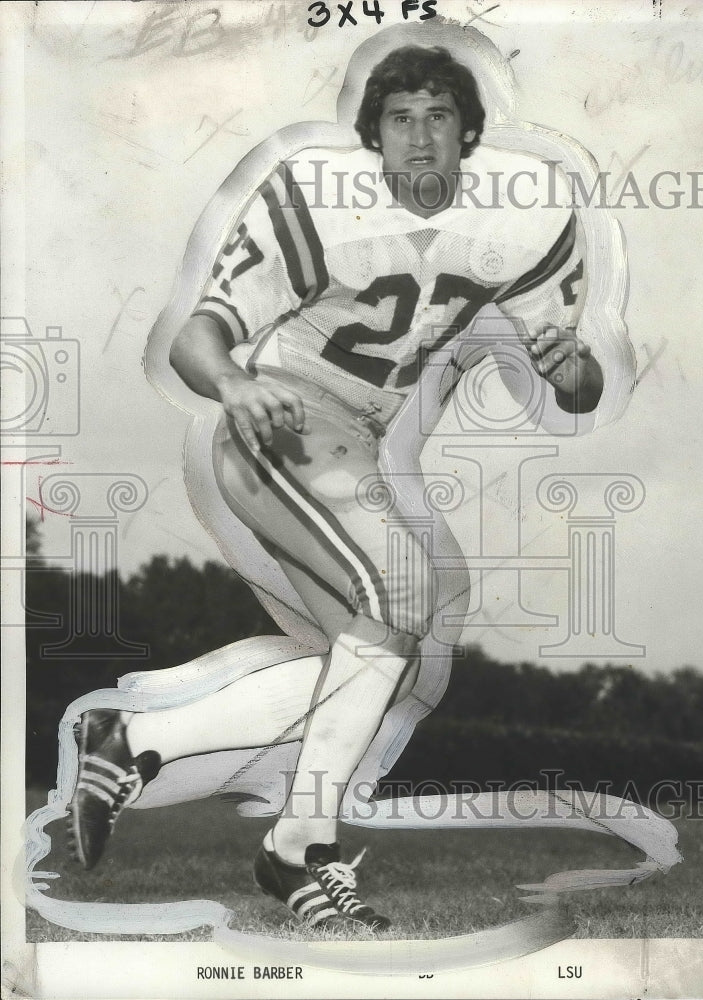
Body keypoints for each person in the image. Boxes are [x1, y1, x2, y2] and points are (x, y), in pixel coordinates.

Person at [68, 43, 611, 932]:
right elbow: (194, 340)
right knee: (402, 584)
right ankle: (298, 852)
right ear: (375, 138)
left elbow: (579, 385)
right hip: (277, 421)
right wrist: (237, 384)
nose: (420, 138)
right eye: (400, 121)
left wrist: (569, 365)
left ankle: (136, 743)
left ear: (467, 131)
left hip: (352, 441)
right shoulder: (316, 199)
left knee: (377, 658)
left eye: (438, 117)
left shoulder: (526, 216)